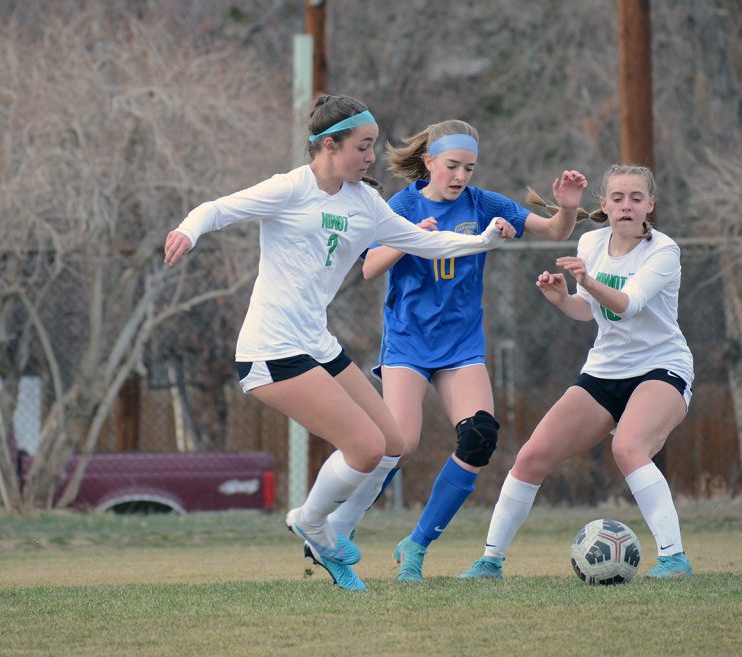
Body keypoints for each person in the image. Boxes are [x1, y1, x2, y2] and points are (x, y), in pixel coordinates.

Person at [163, 95, 515, 591]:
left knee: (392, 443)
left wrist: (483, 241)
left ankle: (323, 531)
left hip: (318, 345)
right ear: (329, 146)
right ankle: (312, 524)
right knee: (366, 446)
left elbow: (424, 241)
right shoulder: (289, 189)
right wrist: (187, 229)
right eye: (363, 147)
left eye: (372, 147)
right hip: (272, 349)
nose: (372, 158)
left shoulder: (365, 202)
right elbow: (218, 209)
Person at [323, 118, 588, 583]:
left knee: (480, 437)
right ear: (428, 162)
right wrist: (413, 239)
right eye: (452, 166)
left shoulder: (482, 203)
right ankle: (336, 528)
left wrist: (566, 210)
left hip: (461, 345)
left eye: (469, 167)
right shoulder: (401, 204)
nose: (461, 176)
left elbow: (554, 232)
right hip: (409, 341)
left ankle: (417, 545)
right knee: (399, 444)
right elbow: (369, 268)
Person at [460, 164, 696, 580]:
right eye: (618, 198)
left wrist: (586, 279)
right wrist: (562, 298)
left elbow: (627, 303)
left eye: (636, 198)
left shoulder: (664, 250)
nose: (627, 205)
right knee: (532, 456)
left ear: (651, 206)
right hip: (604, 370)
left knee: (627, 448)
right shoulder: (590, 242)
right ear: (603, 204)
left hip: (661, 368)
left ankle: (674, 559)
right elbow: (590, 311)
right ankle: (490, 561)